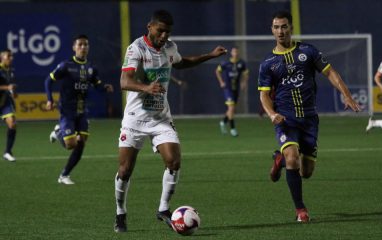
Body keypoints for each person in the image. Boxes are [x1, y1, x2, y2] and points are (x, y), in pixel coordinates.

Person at [114, 9, 227, 233]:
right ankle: (120, 212)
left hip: (160, 118)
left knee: (174, 162)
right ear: (150, 27)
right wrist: (146, 87)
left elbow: (182, 62)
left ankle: (164, 209)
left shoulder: (169, 48)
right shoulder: (136, 48)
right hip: (135, 119)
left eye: (168, 32)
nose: (164, 35)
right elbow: (124, 81)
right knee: (125, 170)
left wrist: (210, 56)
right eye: (160, 30)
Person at [258, 11, 361, 222]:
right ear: (272, 30)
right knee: (293, 159)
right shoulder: (268, 63)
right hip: (286, 119)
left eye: (284, 26)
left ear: (291, 28)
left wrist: (347, 95)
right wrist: (272, 114)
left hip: (310, 119)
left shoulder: (308, 51)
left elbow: (330, 72)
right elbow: (264, 95)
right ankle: (301, 210)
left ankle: (279, 159)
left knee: (306, 172)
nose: (280, 31)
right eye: (276, 27)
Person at [45, 34, 114, 185]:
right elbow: (48, 81)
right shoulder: (66, 65)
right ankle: (58, 133)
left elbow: (97, 83)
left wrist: (104, 87)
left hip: (82, 111)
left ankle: (64, 175)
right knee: (71, 145)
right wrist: (49, 99)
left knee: (81, 142)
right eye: (80, 44)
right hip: (67, 111)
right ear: (74, 47)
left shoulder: (91, 68)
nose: (83, 47)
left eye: (86, 45)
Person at [215, 46, 249, 137]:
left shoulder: (241, 63)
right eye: (234, 52)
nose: (235, 53)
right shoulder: (225, 63)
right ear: (231, 53)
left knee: (232, 109)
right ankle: (233, 129)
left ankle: (223, 122)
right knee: (231, 109)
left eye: (237, 52)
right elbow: (217, 71)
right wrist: (221, 82)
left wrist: (244, 82)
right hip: (228, 89)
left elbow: (246, 73)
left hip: (235, 89)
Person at [0, 49, 17, 162]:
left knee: (12, 123)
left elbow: (9, 86)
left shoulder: (10, 70)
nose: (11, 58)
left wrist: (13, 92)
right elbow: (6, 86)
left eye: (12, 56)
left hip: (4, 102)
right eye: (8, 56)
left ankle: (7, 152)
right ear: (2, 58)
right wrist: (7, 88)